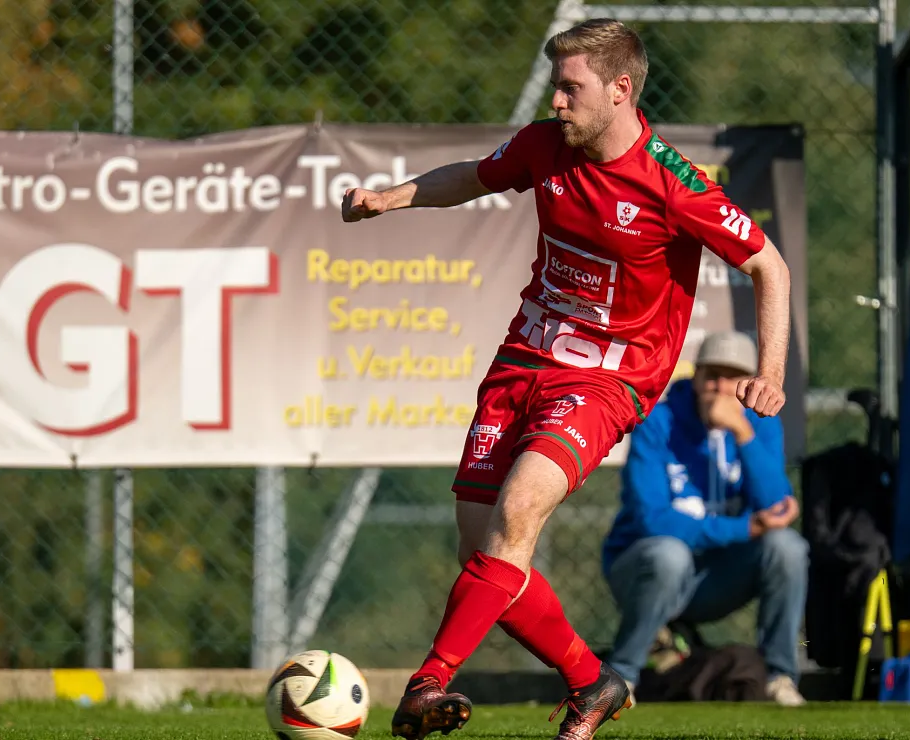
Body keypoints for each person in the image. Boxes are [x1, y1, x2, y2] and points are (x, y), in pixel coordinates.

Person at [340, 18, 792, 740]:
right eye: (555, 85)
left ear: (619, 90)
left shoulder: (672, 184)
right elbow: (471, 176)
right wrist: (391, 198)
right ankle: (592, 681)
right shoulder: (546, 146)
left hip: (609, 382)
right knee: (483, 553)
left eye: (570, 87)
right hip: (523, 359)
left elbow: (769, 263)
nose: (556, 100)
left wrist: (769, 373)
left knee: (516, 517)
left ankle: (428, 683)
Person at [601, 330, 808, 706]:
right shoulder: (658, 422)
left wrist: (742, 432)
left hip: (718, 577)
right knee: (669, 554)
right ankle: (622, 677)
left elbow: (776, 508)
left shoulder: (759, 423)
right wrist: (743, 528)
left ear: (750, 385)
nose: (720, 386)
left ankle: (780, 678)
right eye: (711, 375)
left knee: (788, 548)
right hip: (645, 572)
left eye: (733, 378)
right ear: (695, 377)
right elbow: (652, 521)